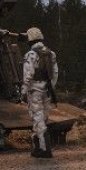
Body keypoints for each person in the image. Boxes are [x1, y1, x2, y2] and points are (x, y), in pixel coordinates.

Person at [21, 26, 59, 158]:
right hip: (47, 89)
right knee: (43, 117)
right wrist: (51, 87)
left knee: (37, 117)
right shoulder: (50, 53)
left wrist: (23, 91)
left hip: (34, 89)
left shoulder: (31, 55)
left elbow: (28, 75)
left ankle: (44, 149)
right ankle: (39, 147)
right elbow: (55, 73)